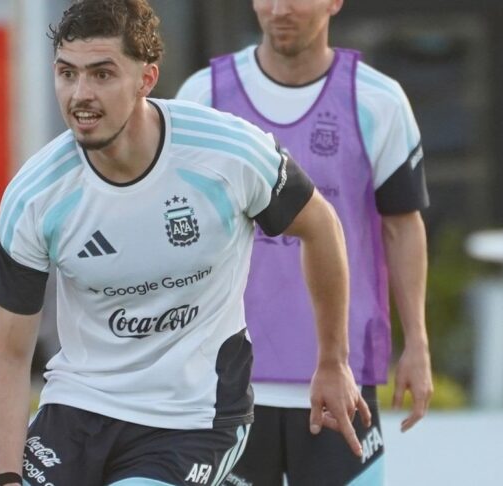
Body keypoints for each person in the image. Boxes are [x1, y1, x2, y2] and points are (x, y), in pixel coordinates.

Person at [0, 1, 368, 485]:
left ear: (146, 79)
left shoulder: (229, 153)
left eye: (102, 74)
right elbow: (9, 355)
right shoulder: (34, 196)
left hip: (195, 417)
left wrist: (333, 361)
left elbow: (321, 226)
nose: (80, 94)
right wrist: (5, 478)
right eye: (67, 73)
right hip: (77, 410)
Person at [176, 0, 433, 484]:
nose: (278, 9)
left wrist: (416, 341)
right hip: (226, 385)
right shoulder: (204, 97)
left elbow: (402, 225)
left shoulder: (378, 100)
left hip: (343, 379)